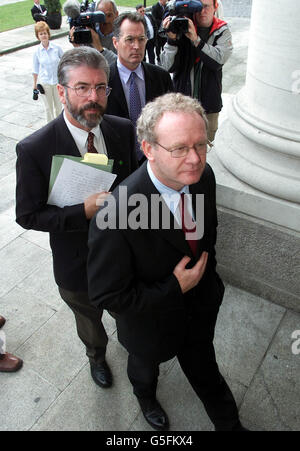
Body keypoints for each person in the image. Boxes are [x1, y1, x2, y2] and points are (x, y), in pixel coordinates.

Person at [88, 92, 249, 432]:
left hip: (200, 312)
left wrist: (209, 286)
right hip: (149, 327)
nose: (195, 159)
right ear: (148, 149)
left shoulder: (204, 178)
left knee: (209, 376)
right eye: (179, 148)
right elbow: (107, 296)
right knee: (144, 371)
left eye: (201, 145)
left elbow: (207, 235)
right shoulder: (116, 212)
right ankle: (146, 397)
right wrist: (173, 288)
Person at [16, 47, 138, 390]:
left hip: (122, 255)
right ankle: (96, 356)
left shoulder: (122, 129)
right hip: (75, 263)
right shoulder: (34, 149)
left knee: (127, 312)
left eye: (101, 88)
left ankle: (134, 346)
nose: (93, 98)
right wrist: (79, 212)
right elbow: (27, 215)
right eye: (82, 87)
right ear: (61, 91)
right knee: (89, 318)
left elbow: (134, 182)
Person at [106, 12, 173, 164]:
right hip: (119, 165)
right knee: (124, 190)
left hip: (155, 162)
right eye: (129, 39)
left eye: (141, 39)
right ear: (115, 43)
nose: (136, 46)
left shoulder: (161, 77)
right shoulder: (103, 81)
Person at [161, 0, 233, 141]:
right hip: (181, 104)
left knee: (205, 147)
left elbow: (218, 61)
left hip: (208, 107)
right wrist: (172, 40)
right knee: (180, 145)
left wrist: (196, 40)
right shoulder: (181, 25)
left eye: (206, 6)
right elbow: (166, 67)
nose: (202, 11)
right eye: (198, 7)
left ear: (215, 7)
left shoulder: (222, 31)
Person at [33, 21, 63, 122]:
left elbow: (64, 63)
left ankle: (60, 125)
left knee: (59, 107)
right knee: (48, 108)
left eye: (45, 33)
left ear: (48, 34)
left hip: (57, 82)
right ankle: (50, 128)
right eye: (41, 34)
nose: (43, 35)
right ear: (38, 36)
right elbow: (35, 69)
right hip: (45, 83)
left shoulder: (56, 48)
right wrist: (34, 85)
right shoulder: (37, 52)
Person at [151, 0, 168, 64]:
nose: (165, 1)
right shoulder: (155, 7)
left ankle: (164, 58)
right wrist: (162, 21)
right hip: (158, 30)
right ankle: (158, 58)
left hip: (165, 30)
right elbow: (154, 18)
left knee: (165, 45)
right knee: (158, 46)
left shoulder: (166, 6)